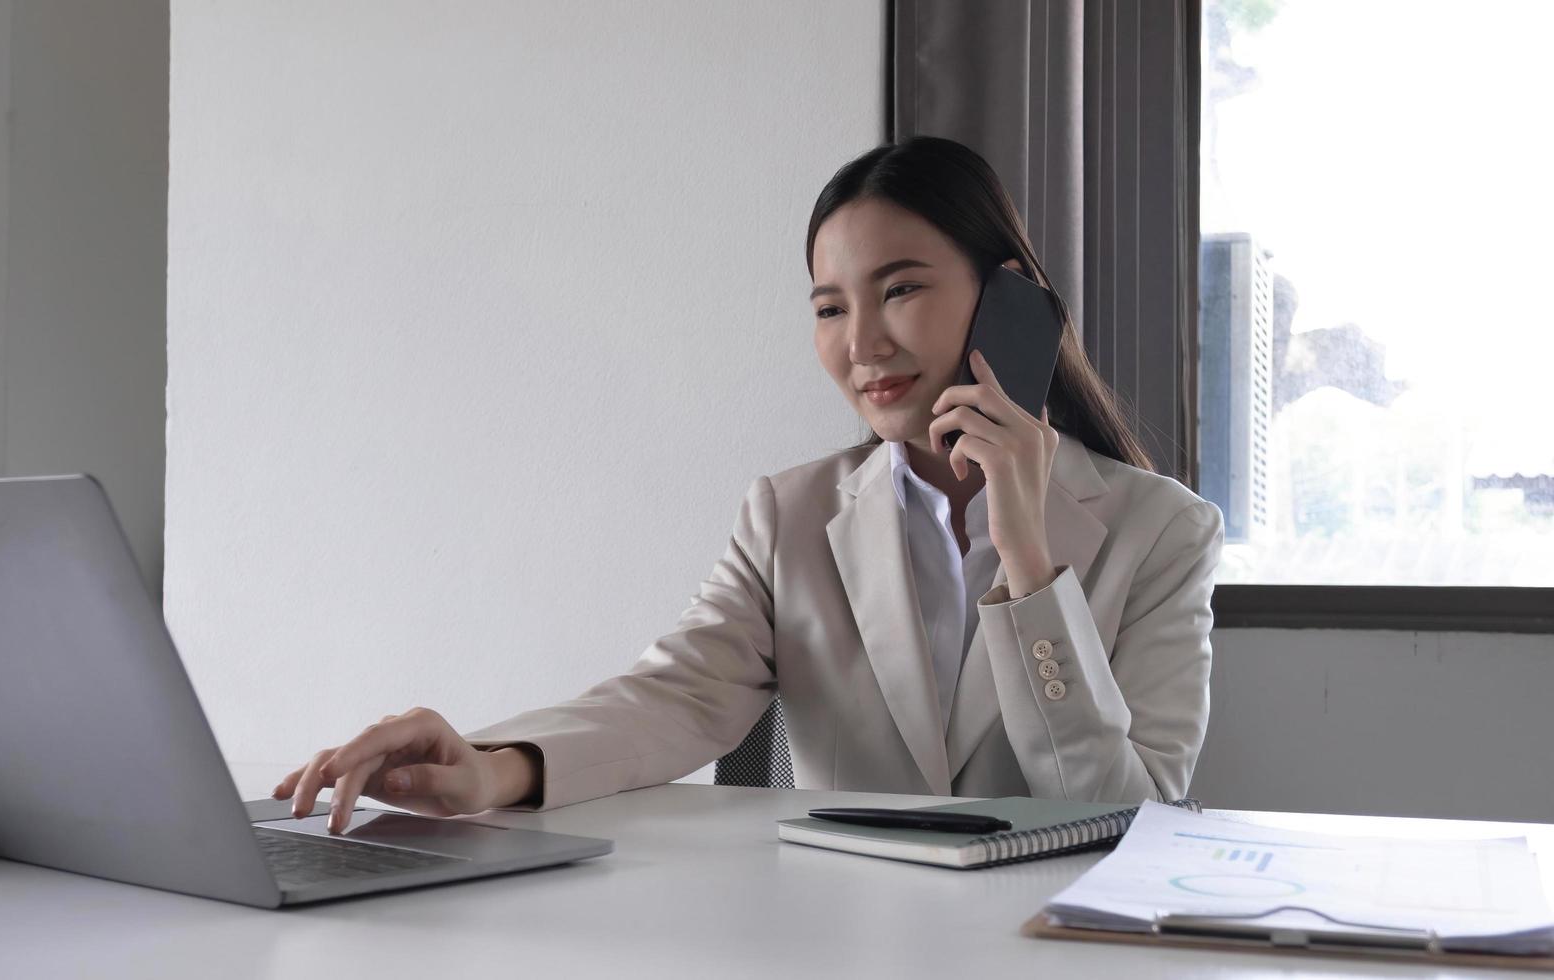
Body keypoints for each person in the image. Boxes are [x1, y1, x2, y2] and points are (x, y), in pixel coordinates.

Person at [274, 136, 1221, 834]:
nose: (862, 346)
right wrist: (489, 767)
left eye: (899, 290)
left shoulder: (1162, 533)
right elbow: (671, 699)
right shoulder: (791, 516)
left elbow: (1119, 812)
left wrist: (1028, 563)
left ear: (1007, 298)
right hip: (838, 940)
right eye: (828, 307)